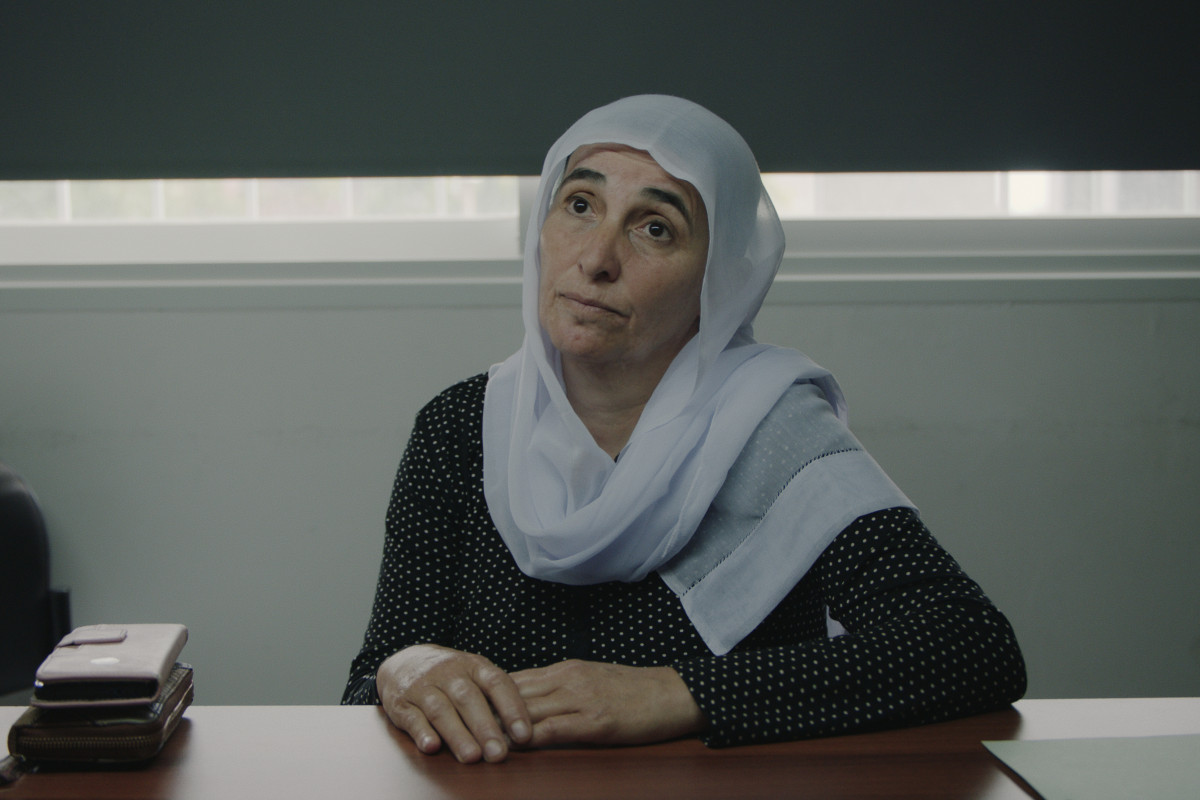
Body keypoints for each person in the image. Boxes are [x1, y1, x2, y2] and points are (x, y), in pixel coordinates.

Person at [342, 95, 1026, 763]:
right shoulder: (462, 428)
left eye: (654, 228)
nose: (597, 258)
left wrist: (678, 693)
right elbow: (374, 676)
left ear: (719, 280)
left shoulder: (772, 432)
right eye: (580, 206)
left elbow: (971, 648)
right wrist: (406, 669)